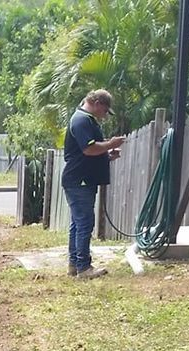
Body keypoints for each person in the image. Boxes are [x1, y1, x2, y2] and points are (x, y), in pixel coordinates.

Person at [61, 89, 125, 278]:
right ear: (97, 104)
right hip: (79, 181)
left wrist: (106, 156)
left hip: (80, 179)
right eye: (105, 111)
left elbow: (87, 152)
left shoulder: (84, 120)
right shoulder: (81, 120)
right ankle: (83, 267)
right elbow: (88, 149)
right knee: (84, 223)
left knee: (78, 223)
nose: (105, 116)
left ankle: (75, 264)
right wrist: (110, 144)